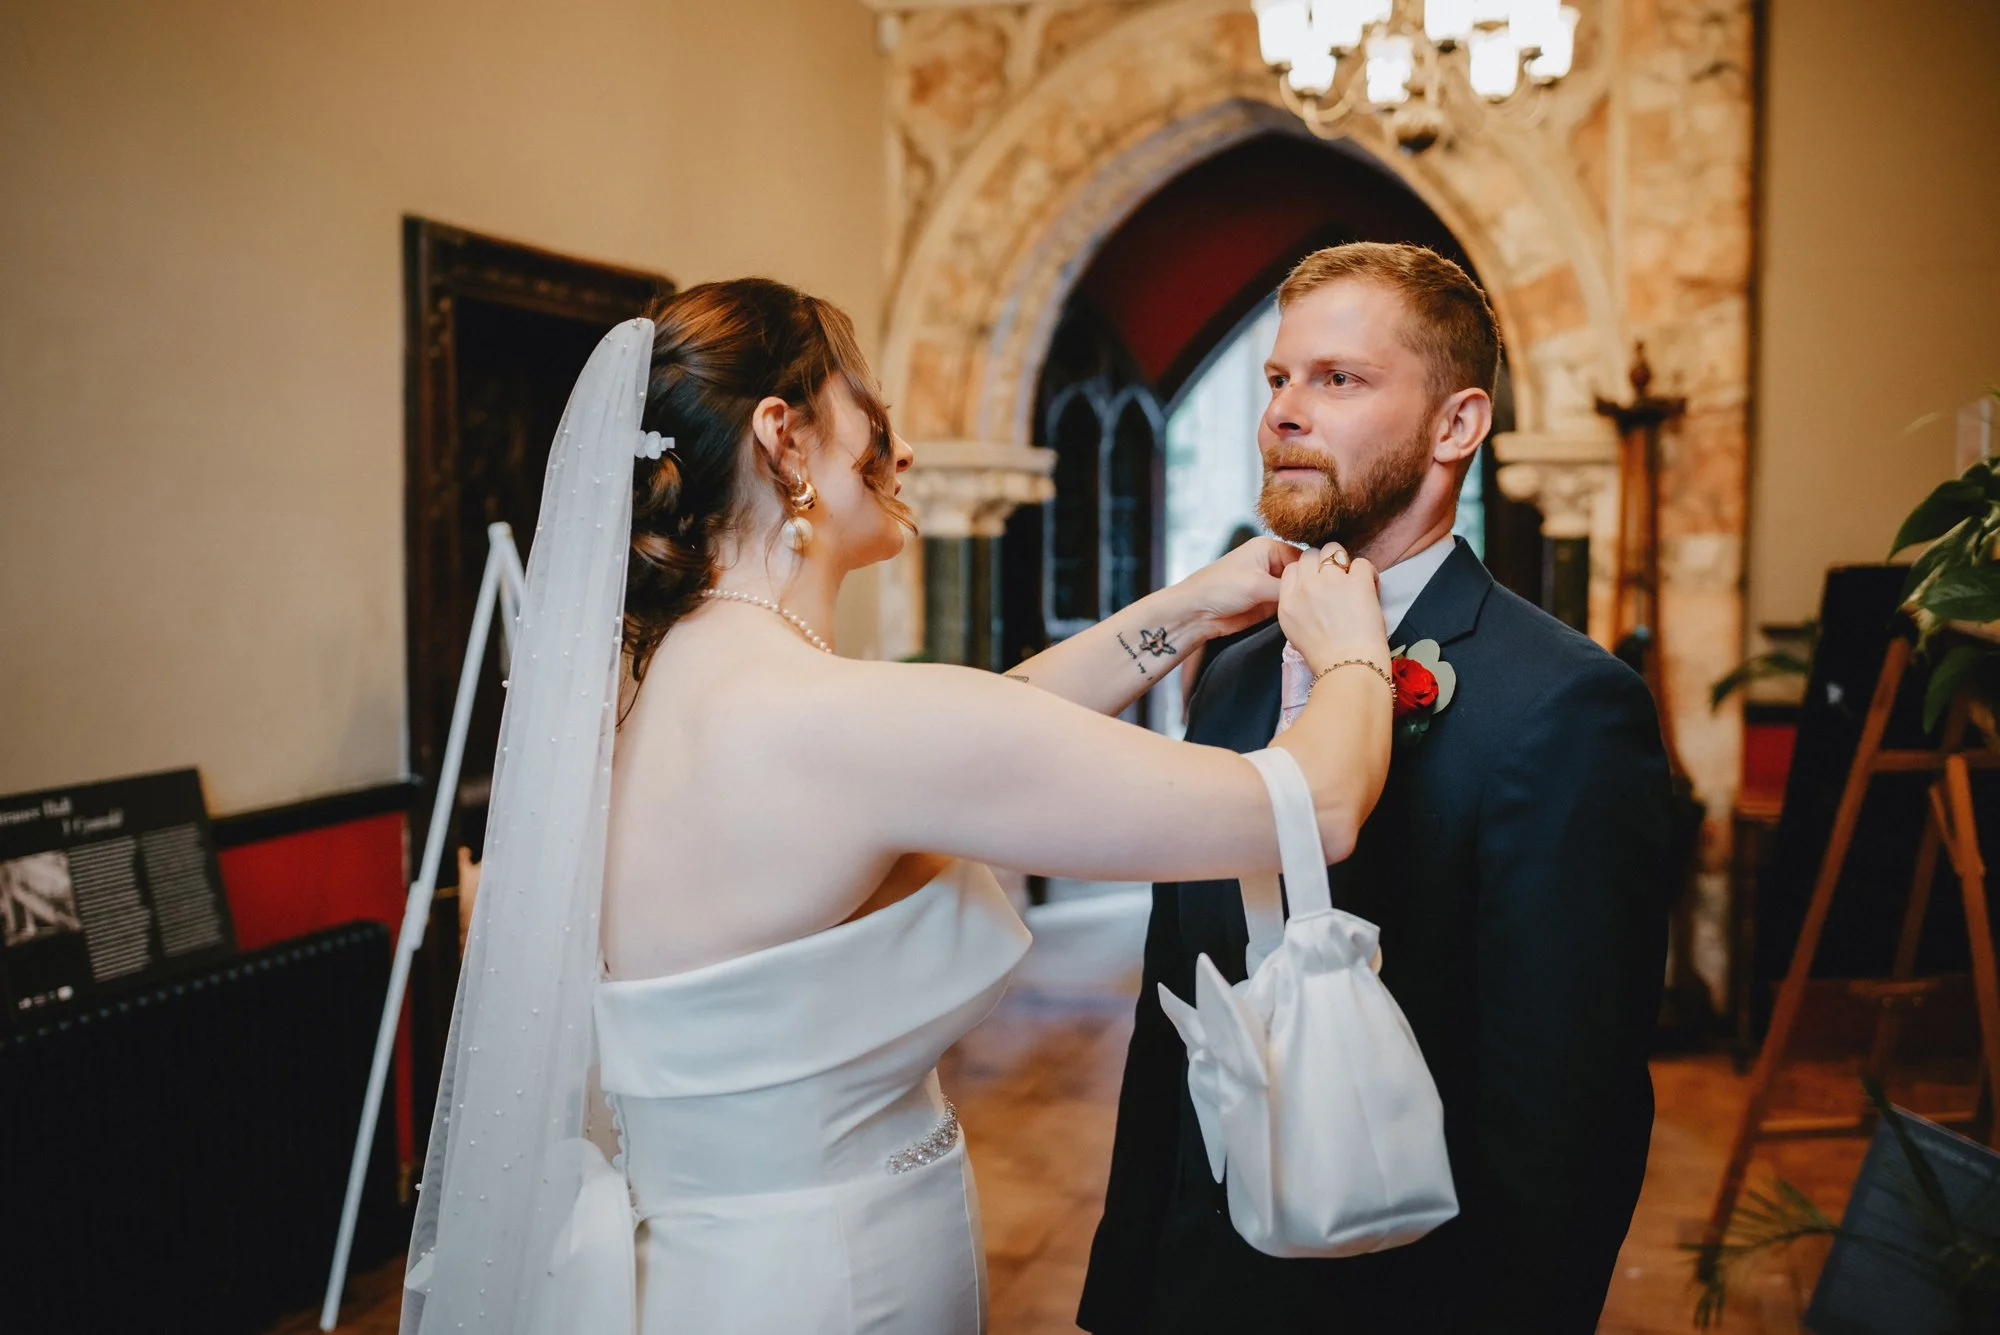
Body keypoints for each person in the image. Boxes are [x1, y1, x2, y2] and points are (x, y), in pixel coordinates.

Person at [401, 277, 1397, 1335]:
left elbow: (976, 733)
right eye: (867, 406)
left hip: (702, 1266)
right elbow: (1315, 806)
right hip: (824, 1282)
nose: (901, 448)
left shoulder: (648, 693)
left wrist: (1186, 609)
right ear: (783, 438)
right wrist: (1351, 651)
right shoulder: (837, 722)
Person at [1079, 242, 1675, 1334]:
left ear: (1456, 427)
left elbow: (1566, 1109)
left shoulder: (1561, 705)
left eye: (1336, 380)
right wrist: (1130, 1290)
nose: (1282, 415)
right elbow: (1177, 999)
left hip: (1406, 1295)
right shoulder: (1236, 664)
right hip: (1203, 1284)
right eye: (1275, 380)